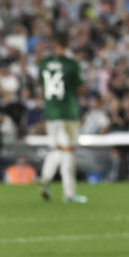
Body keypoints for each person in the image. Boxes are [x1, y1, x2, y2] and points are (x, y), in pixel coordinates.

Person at [38, 31, 87, 203]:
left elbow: (42, 88)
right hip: (66, 111)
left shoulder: (43, 63)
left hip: (50, 112)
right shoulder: (71, 64)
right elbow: (80, 89)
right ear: (67, 45)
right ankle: (69, 193)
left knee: (56, 149)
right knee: (67, 151)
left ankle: (45, 179)